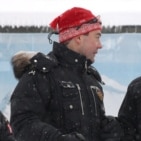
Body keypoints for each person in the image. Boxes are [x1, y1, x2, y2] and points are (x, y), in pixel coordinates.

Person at [10, 7, 122, 141]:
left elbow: (93, 128)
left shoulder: (91, 79)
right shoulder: (41, 74)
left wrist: (110, 130)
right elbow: (22, 123)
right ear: (79, 37)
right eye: (97, 37)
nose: (100, 45)